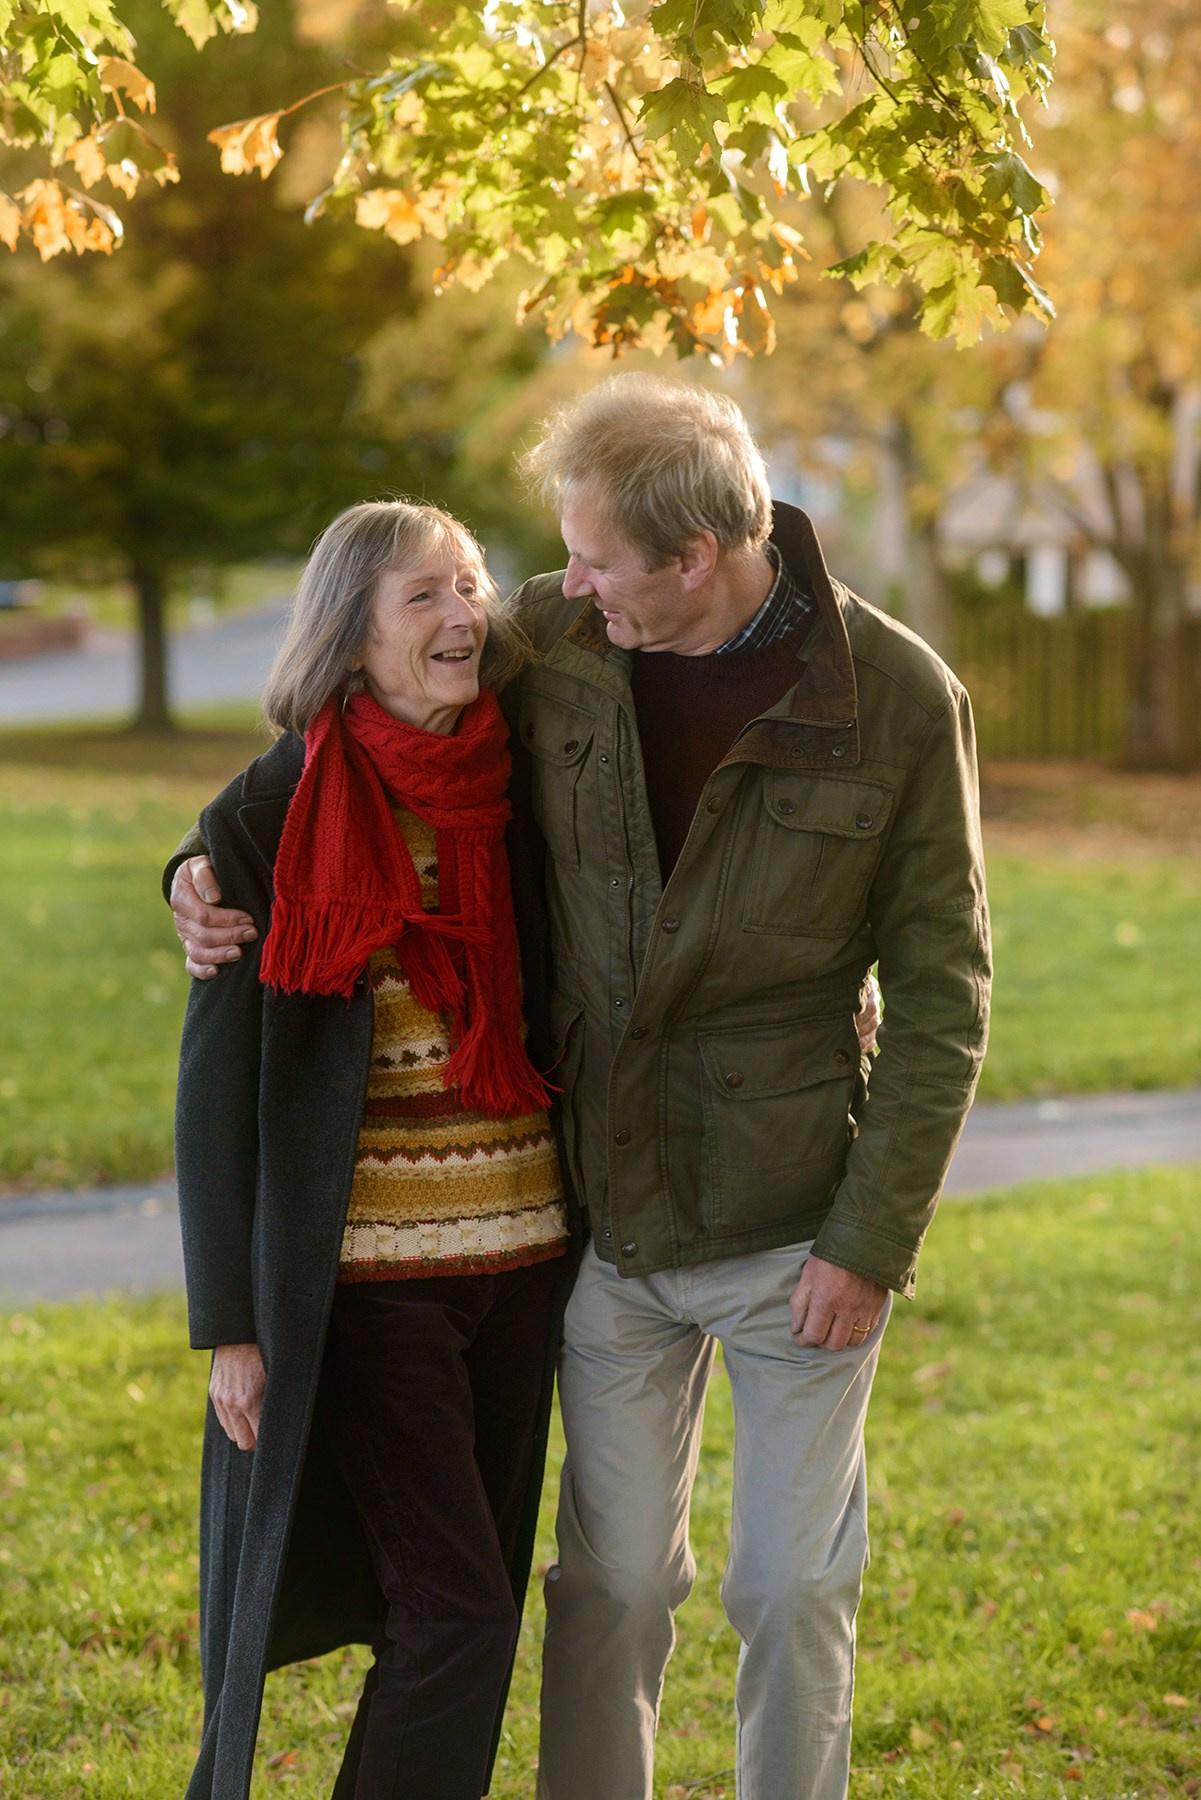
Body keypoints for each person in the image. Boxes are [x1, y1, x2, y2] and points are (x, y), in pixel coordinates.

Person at [171, 375, 990, 1800]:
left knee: (790, 1587)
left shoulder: (899, 699)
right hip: (603, 1222)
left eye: (595, 559)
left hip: (795, 1221)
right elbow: (338, 735)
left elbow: (945, 993)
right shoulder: (558, 638)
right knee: (607, 1586)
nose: (554, 586)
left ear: (694, 557)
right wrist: (193, 868)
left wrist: (869, 1240)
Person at [170, 499, 575, 1800]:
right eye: (424, 596)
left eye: (471, 586)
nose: (465, 616)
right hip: (369, 1288)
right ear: (350, 636)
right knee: (459, 1616)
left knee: (462, 1609)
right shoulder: (276, 808)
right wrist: (232, 1325)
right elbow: (215, 1088)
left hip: (525, 1262)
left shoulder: (521, 774)